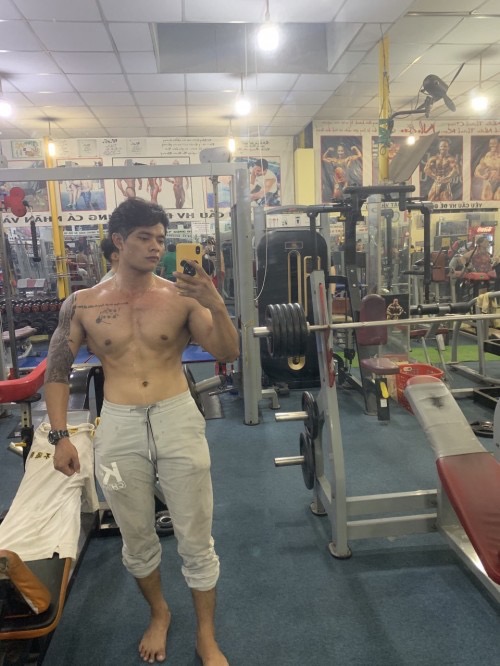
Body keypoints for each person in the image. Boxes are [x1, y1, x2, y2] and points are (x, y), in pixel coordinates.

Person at [44, 197, 239, 665]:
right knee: (135, 537)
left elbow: (227, 352)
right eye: (145, 238)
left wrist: (214, 301)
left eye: (161, 239)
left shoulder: (181, 297)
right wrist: (60, 435)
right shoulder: (82, 303)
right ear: (118, 241)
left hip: (177, 416)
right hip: (119, 424)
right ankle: (159, 613)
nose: (156, 247)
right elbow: (57, 368)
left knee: (196, 535)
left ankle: (206, 635)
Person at [474, 137, 500, 201]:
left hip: (498, 182)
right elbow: (476, 171)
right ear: (489, 145)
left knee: (498, 198)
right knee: (486, 199)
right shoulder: (486, 157)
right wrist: (482, 176)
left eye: (495, 143)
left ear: (498, 144)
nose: (493, 145)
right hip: (488, 183)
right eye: (491, 143)